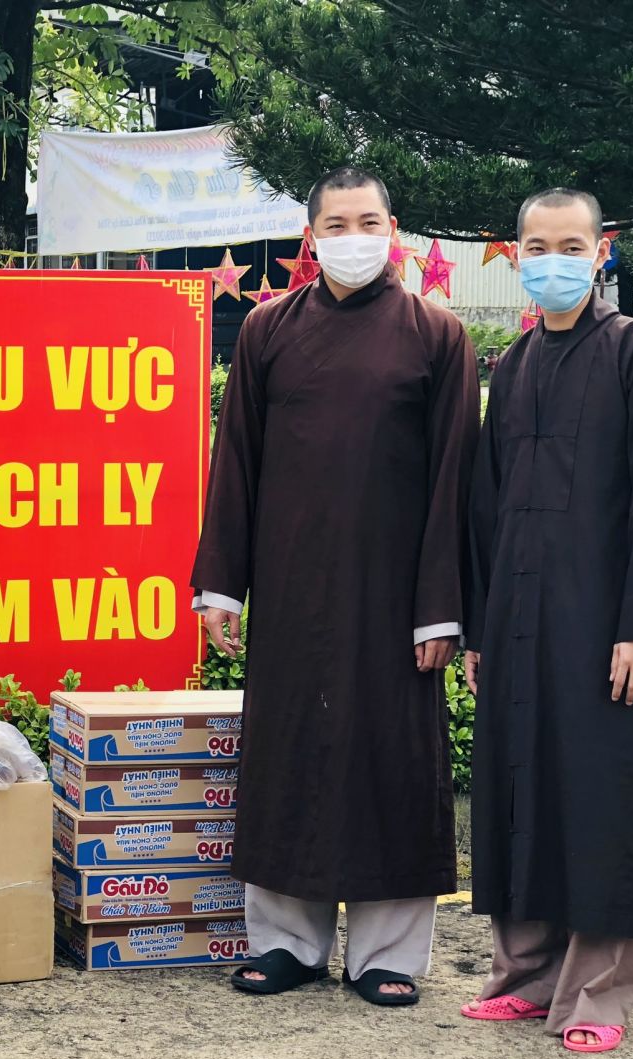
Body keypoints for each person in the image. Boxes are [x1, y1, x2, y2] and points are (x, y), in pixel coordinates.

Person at [192, 167, 480, 1006]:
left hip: (396, 594)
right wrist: (223, 587)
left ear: (394, 228)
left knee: (393, 756)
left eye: (370, 220)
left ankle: (388, 953)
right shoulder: (268, 330)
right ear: (310, 238)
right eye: (336, 224)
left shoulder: (437, 335)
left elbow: (453, 480)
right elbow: (235, 462)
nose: (354, 236)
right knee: (290, 756)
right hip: (289, 583)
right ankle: (287, 943)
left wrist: (441, 609)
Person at [461, 188, 633, 1053]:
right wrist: (482, 627)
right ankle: (523, 974)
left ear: (602, 252)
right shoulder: (514, 366)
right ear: (513, 253)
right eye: (534, 244)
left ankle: (597, 992)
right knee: (523, 788)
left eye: (568, 244)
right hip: (520, 618)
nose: (549, 258)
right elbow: (489, 507)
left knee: (601, 798)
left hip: (604, 622)